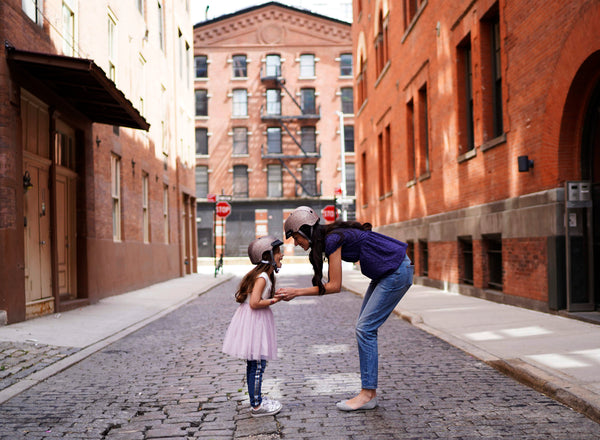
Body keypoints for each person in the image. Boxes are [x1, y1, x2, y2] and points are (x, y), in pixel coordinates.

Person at [276, 206, 413, 412]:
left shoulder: (332, 240)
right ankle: (369, 393)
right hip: (388, 272)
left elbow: (334, 286)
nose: (296, 243)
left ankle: (367, 395)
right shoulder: (328, 239)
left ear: (305, 231)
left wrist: (297, 292)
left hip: (396, 271)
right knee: (364, 328)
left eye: (296, 238)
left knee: (365, 329)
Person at [222, 235, 284, 417]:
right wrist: (274, 299)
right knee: (257, 365)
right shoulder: (263, 276)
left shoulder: (263, 275)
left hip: (255, 321)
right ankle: (256, 406)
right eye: (278, 252)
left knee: (254, 364)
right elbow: (255, 303)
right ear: (268, 256)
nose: (282, 255)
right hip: (255, 322)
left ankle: (256, 399)